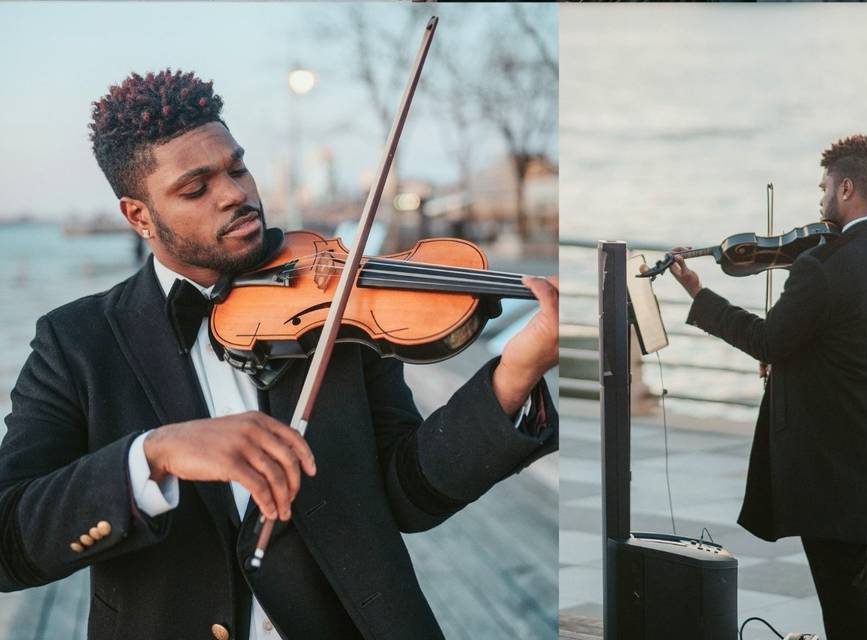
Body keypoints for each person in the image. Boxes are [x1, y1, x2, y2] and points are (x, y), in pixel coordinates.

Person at [0, 70, 559, 640]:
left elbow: (410, 494)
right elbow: (8, 540)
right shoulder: (75, 343)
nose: (235, 194)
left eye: (237, 167)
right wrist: (153, 455)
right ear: (139, 216)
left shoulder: (334, 298)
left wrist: (514, 375)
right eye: (196, 188)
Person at [669, 135, 867, 640]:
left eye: (825, 187)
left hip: (832, 467)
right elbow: (858, 346)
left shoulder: (822, 268)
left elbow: (767, 340)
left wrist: (701, 295)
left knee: (846, 599)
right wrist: (795, 362)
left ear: (847, 187)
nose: (820, 200)